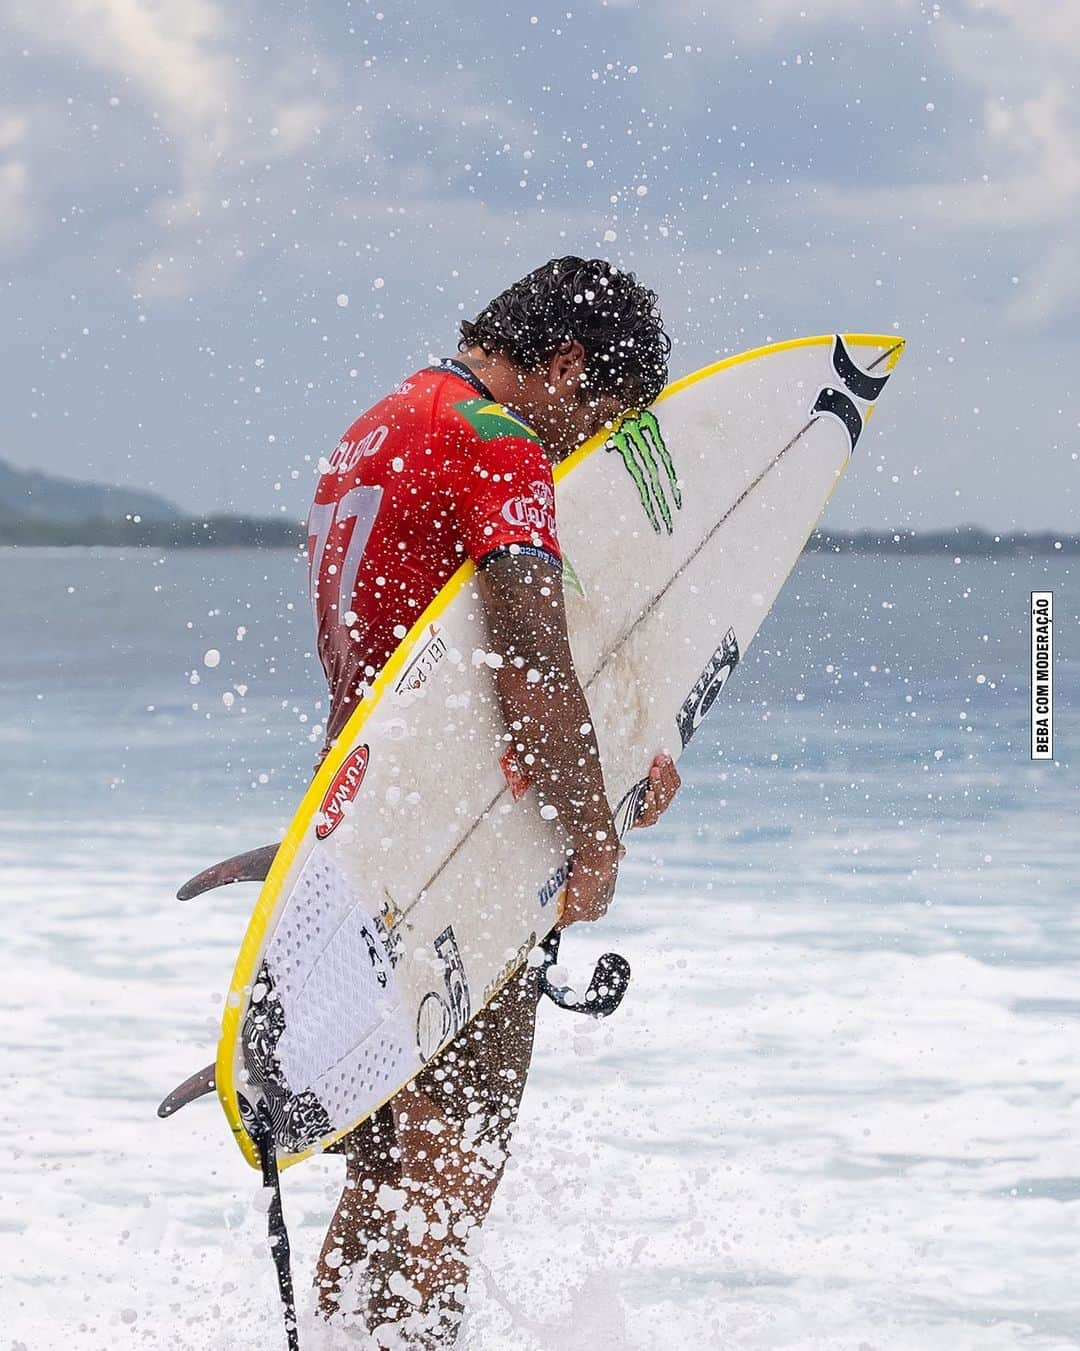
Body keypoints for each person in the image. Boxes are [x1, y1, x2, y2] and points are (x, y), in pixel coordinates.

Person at [307, 256, 681, 1348]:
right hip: (449, 867)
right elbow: (526, 668)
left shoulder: (376, 428)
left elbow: (437, 664)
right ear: (564, 367)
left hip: (355, 851)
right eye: (597, 418)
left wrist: (620, 745)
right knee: (445, 1187)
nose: (584, 450)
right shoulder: (500, 441)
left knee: (385, 1186)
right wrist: (593, 838)